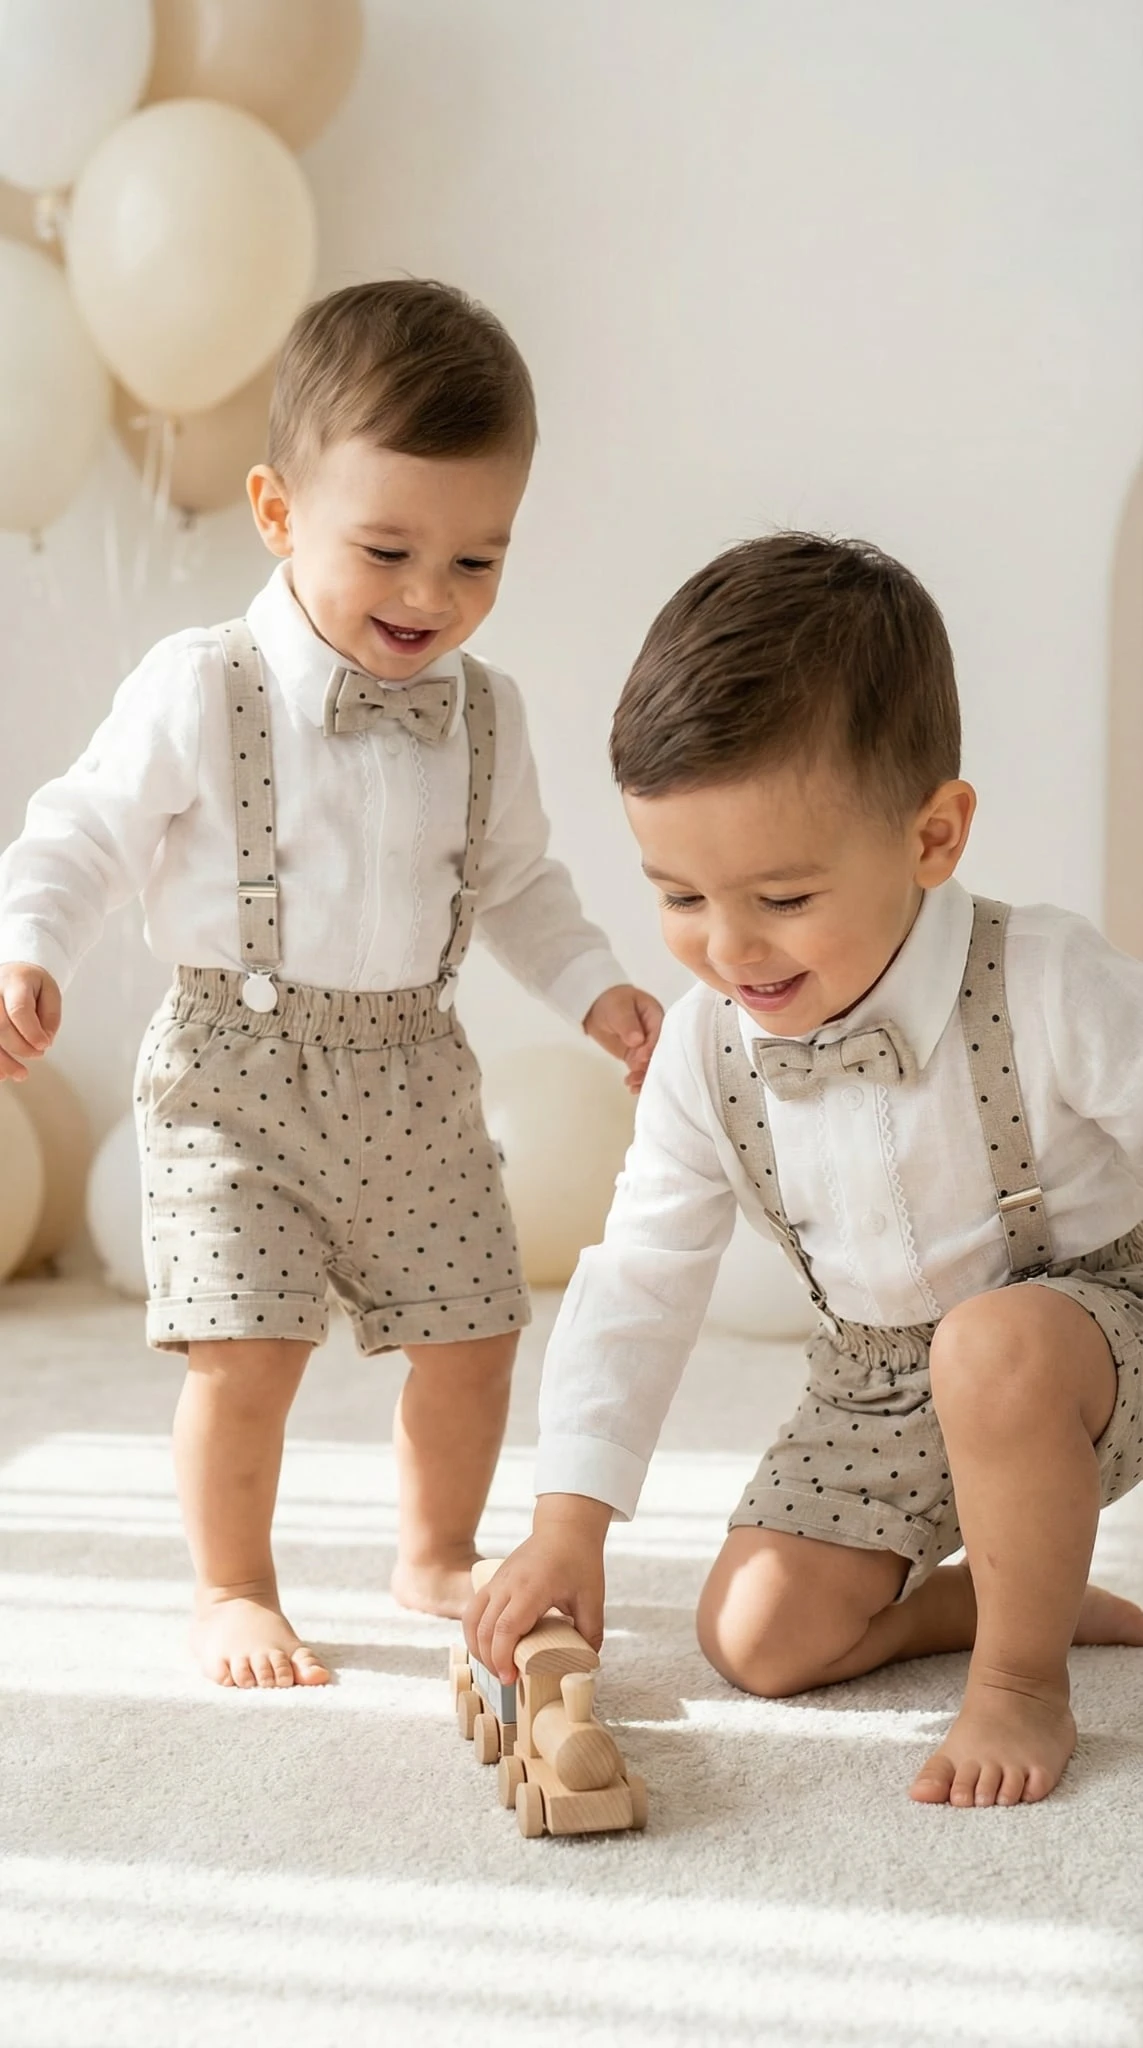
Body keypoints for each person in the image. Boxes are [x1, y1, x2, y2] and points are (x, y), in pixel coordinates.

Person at [0, 279, 663, 1691]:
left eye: (476, 559)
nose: (431, 596)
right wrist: (30, 944)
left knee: (476, 1334)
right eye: (388, 550)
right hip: (234, 1078)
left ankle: (434, 1550)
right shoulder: (202, 685)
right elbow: (82, 829)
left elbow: (522, 888)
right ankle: (233, 1585)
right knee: (246, 1352)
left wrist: (600, 994)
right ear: (276, 510)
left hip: (418, 1073)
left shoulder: (486, 717)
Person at [468, 531, 1143, 1809]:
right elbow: (638, 1278)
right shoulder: (704, 1051)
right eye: (680, 896)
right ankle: (987, 1591)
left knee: (993, 1345)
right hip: (878, 1379)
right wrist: (570, 1519)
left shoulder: (1050, 980)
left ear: (933, 835)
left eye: (781, 899)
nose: (728, 949)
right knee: (758, 1638)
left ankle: (1018, 1672)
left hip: (1099, 1340)